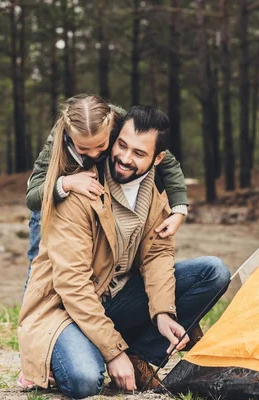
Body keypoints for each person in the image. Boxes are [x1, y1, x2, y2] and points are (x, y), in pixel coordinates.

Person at [17, 104, 230, 399]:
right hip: (68, 310)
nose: (125, 158)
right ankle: (64, 352)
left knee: (213, 271)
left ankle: (137, 357)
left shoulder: (155, 193)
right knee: (84, 381)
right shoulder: (80, 188)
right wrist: (112, 351)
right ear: (116, 137)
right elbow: (72, 285)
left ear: (157, 159)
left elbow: (157, 256)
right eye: (122, 146)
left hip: (115, 299)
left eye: (139, 154)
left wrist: (163, 312)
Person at [23, 95, 189, 293]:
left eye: (101, 145)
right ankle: (32, 319)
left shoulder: (119, 121)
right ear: (69, 135)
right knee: (40, 268)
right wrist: (66, 183)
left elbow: (167, 161)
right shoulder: (58, 139)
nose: (94, 154)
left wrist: (179, 208)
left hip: (92, 204)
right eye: (84, 148)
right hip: (50, 203)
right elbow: (32, 197)